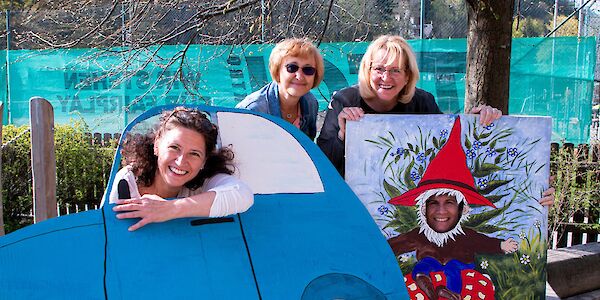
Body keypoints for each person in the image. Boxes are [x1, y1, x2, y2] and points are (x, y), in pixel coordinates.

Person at [316, 35, 502, 177]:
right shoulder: (344, 101)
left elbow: (447, 146)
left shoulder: (423, 102)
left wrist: (475, 122)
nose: (386, 78)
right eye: (379, 69)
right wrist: (342, 136)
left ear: (407, 76)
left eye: (395, 70)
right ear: (367, 70)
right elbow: (322, 164)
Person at [107, 107, 254, 231]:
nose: (181, 161)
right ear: (157, 144)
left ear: (204, 160)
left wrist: (169, 208)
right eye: (174, 147)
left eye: (194, 154)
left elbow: (243, 195)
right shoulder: (128, 181)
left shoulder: (205, 180)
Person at [236, 38, 324, 140]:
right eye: (292, 67)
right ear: (277, 71)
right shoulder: (252, 110)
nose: (299, 76)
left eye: (308, 70)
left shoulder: (310, 103)